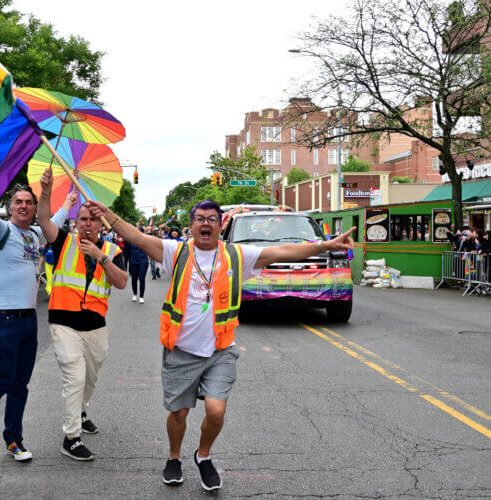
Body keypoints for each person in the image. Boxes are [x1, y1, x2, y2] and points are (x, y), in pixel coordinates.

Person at [86, 199, 355, 491]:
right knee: (179, 413)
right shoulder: (175, 252)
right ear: (190, 225)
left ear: (220, 225)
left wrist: (324, 246)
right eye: (200, 218)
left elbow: (282, 250)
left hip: (220, 350)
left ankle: (203, 456)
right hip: (181, 350)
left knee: (215, 411)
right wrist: (107, 214)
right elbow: (135, 236)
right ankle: (174, 457)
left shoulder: (237, 255)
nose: (205, 223)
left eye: (212, 219)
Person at [0, 184, 69, 470]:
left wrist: (67, 199)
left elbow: (55, 221)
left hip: (28, 319)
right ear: (9, 207)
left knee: (20, 383)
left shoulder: (34, 233)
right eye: (18, 202)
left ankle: (14, 439)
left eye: (29, 203)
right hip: (1, 317)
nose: (24, 206)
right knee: (2, 379)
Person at [38, 167, 128, 461]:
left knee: (89, 377)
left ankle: (81, 409)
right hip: (63, 324)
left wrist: (100, 257)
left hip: (95, 327)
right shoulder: (63, 241)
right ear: (76, 223)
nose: (88, 225)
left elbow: (121, 282)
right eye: (83, 220)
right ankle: (71, 438)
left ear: (101, 225)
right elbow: (42, 220)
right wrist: (48, 191)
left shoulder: (112, 250)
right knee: (74, 378)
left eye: (93, 220)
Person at [127, 228, 150, 303]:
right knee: (134, 279)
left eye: (138, 230)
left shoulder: (146, 239)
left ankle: (141, 296)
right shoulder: (130, 240)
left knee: (142, 278)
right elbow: (127, 251)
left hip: (143, 261)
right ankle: (134, 294)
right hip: (133, 261)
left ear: (142, 232)